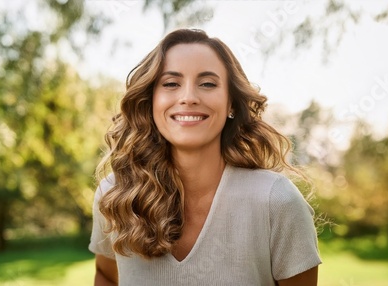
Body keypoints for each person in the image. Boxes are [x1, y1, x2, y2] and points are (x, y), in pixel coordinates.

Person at [89, 28, 321, 286]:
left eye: (208, 83)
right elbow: (107, 276)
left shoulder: (276, 201)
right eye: (171, 84)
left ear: (231, 103)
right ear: (151, 101)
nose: (188, 97)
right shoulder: (115, 194)